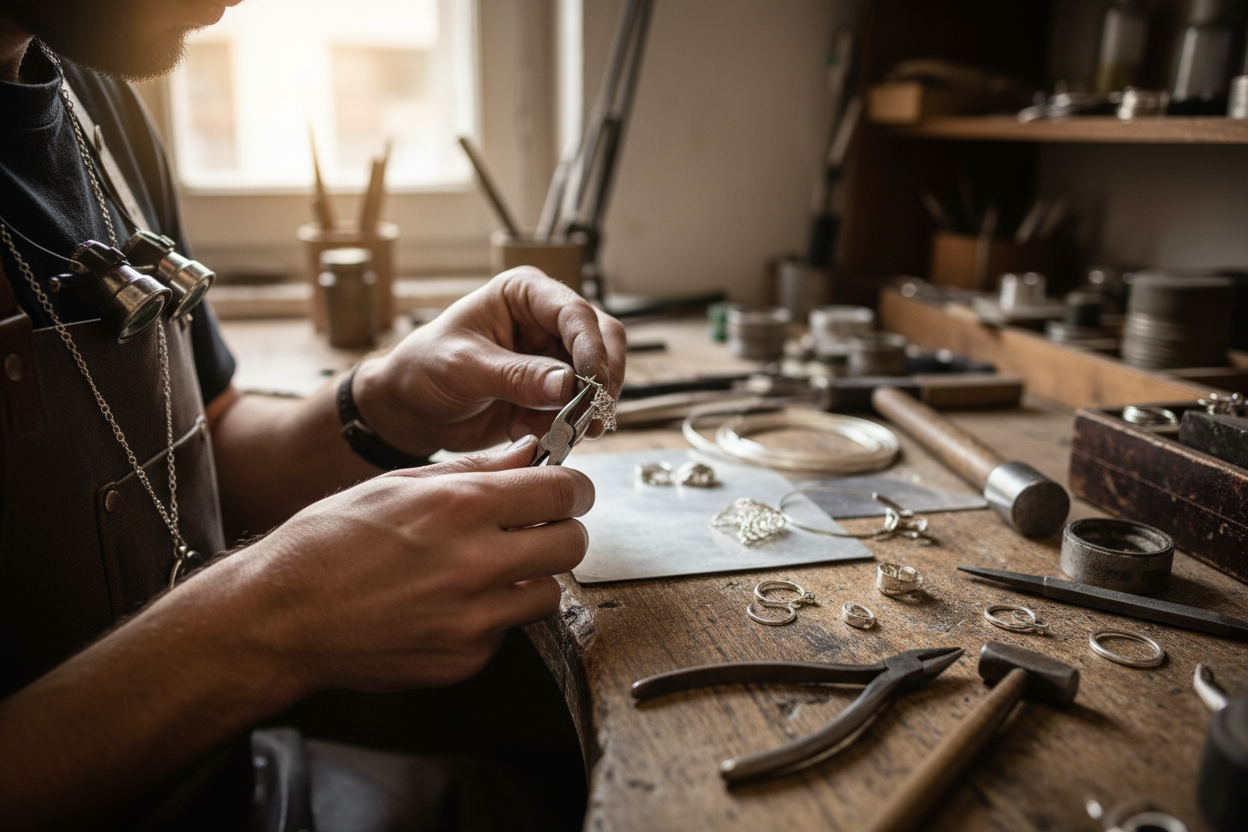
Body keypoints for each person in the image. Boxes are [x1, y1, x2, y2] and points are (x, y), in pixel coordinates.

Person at [0, 0, 626, 829]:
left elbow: (196, 450)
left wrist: (382, 406)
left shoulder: (96, 95)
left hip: (233, 783)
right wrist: (274, 617)